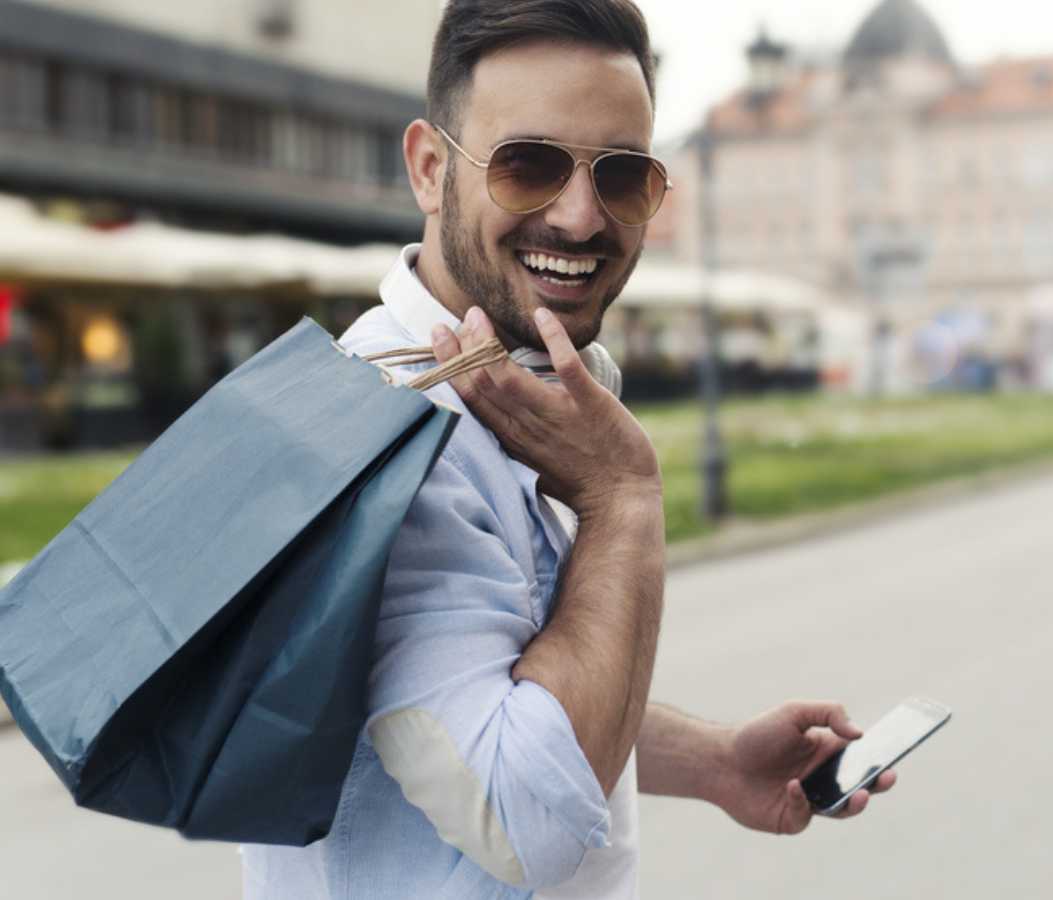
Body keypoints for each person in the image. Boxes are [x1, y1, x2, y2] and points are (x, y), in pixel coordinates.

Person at [241, 2, 894, 897]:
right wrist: (623, 496)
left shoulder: (513, 391)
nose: (582, 218)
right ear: (431, 170)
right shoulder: (386, 436)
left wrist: (711, 761)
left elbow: (479, 695)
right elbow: (521, 818)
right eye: (529, 166)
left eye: (622, 176)